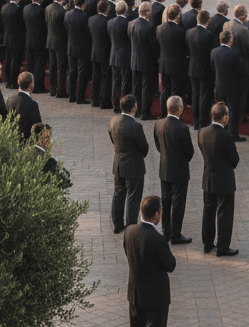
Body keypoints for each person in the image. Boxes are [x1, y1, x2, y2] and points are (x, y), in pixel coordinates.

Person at [123, 194, 176, 327]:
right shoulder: (157, 239)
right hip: (155, 298)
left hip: (135, 295)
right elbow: (170, 265)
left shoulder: (129, 231)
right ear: (157, 214)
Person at [198, 101, 239, 257]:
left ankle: (207, 244)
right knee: (224, 213)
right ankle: (223, 247)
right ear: (225, 117)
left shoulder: (202, 132)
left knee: (208, 210)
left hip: (208, 177)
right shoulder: (226, 136)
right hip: (224, 180)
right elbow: (234, 160)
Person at [153, 96, 194, 245]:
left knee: (166, 200)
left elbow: (158, 146)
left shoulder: (158, 123)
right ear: (181, 109)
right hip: (180, 171)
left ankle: (166, 232)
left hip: (164, 169)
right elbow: (189, 151)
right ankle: (176, 234)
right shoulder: (183, 128)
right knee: (178, 202)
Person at [109, 94, 149, 233]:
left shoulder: (113, 121)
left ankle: (117, 224)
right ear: (134, 107)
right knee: (133, 197)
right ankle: (130, 226)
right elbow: (144, 148)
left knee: (119, 193)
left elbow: (113, 140)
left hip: (118, 164)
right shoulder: (136, 126)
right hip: (133, 166)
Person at [8, 70, 42, 140]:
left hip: (13, 140)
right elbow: (38, 127)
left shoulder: (10, 99)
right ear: (31, 86)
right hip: (27, 142)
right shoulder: (32, 104)